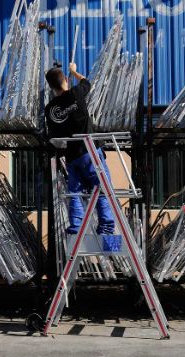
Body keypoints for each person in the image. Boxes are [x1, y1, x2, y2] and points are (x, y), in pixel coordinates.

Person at [45, 63, 115, 235]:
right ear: (66, 80)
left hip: (72, 157)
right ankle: (106, 228)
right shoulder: (76, 93)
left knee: (74, 193)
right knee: (102, 189)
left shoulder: (50, 110)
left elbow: (55, 135)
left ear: (50, 87)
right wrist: (74, 70)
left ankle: (76, 227)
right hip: (90, 153)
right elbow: (86, 82)